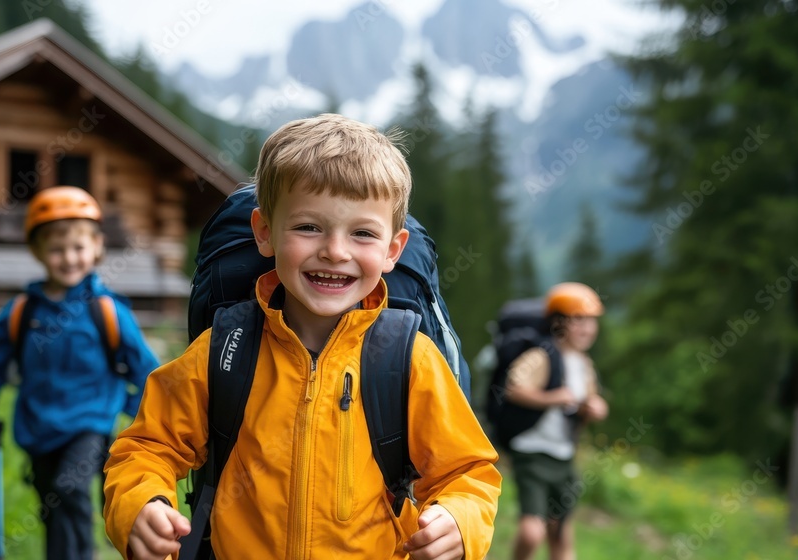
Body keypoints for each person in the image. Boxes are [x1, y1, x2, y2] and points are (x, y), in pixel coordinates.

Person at [103, 114, 501, 560]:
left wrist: (459, 520)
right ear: (265, 232)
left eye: (363, 233)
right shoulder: (224, 351)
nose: (335, 250)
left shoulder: (409, 360)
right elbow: (146, 447)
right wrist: (141, 503)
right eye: (309, 227)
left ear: (393, 250)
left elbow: (466, 471)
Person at [0, 186, 161, 560]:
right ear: (38, 251)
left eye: (78, 247)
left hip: (90, 423)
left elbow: (147, 370)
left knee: (69, 488)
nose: (69, 258)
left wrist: (137, 413)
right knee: (52, 501)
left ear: (96, 247)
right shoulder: (21, 311)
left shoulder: (107, 311)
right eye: (57, 249)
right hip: (37, 425)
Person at [505, 282, 608, 560]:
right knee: (532, 531)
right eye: (579, 320)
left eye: (591, 321)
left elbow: (585, 400)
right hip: (532, 452)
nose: (587, 328)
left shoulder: (584, 364)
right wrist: (552, 398)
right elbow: (513, 388)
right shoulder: (542, 356)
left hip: (564, 456)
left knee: (561, 531)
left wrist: (593, 407)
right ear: (558, 321)